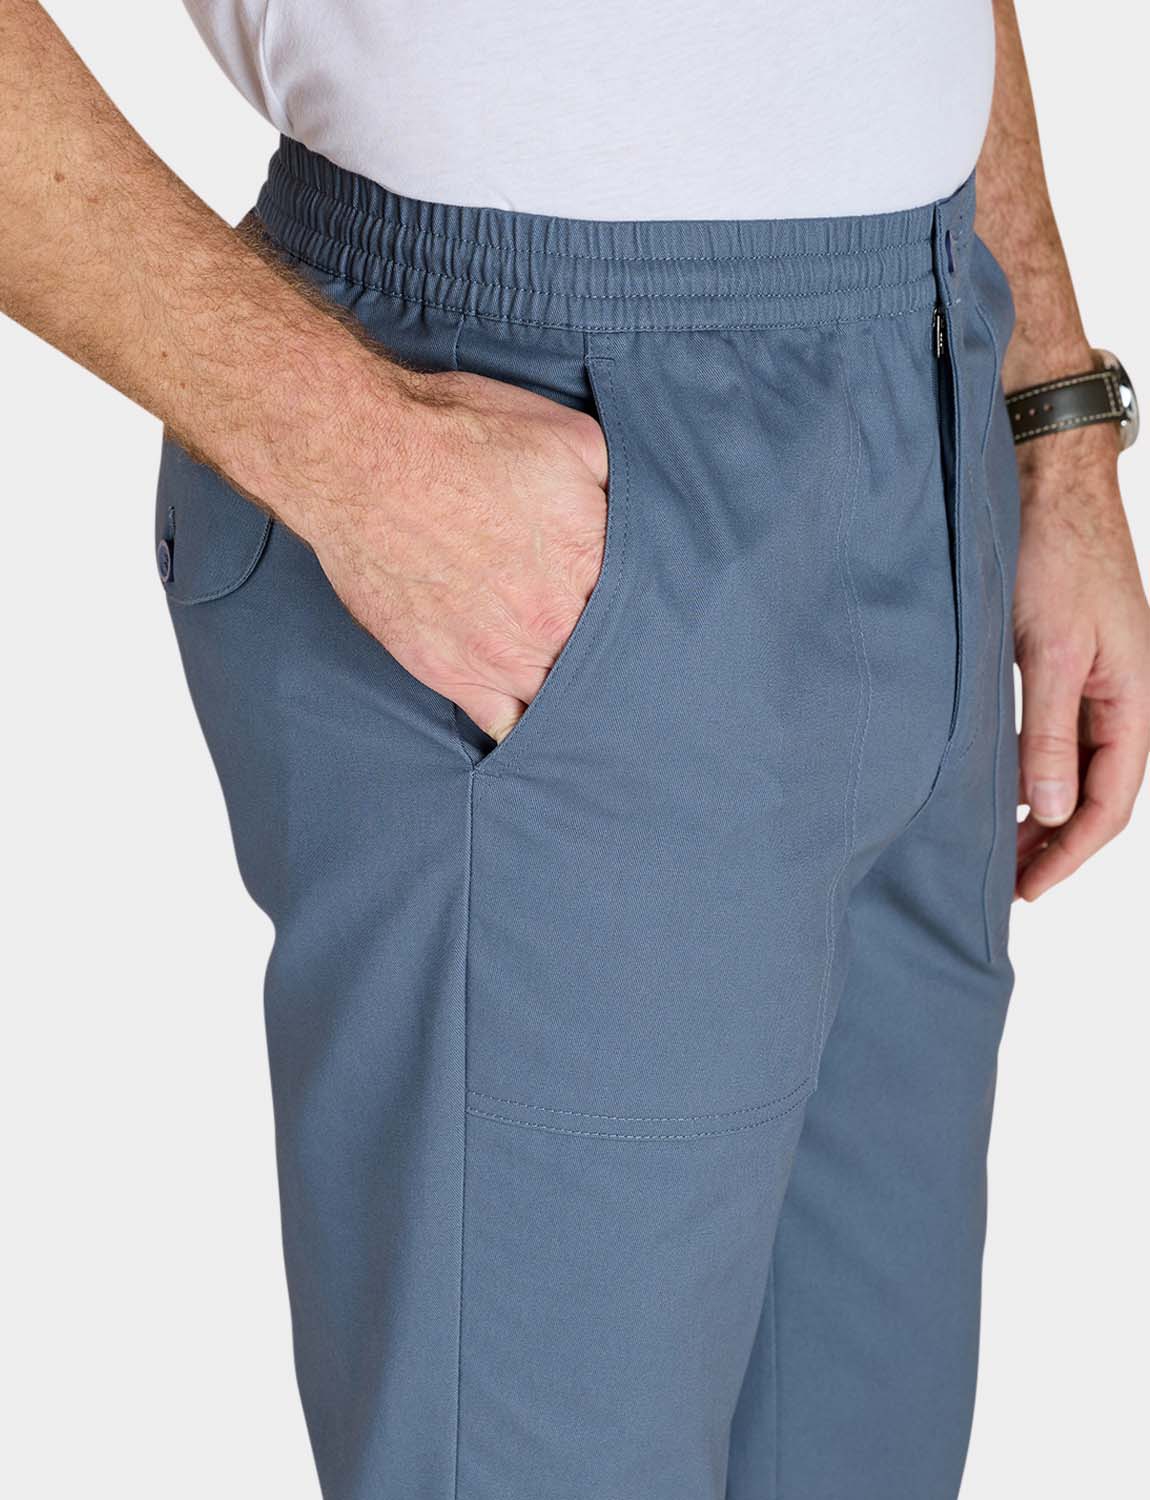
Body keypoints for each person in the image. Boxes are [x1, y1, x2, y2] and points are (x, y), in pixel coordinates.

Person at [1, 2, 1146, 1496]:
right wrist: (359, 452)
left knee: (866, 1440)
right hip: (524, 410)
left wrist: (1052, 426)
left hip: (930, 374)